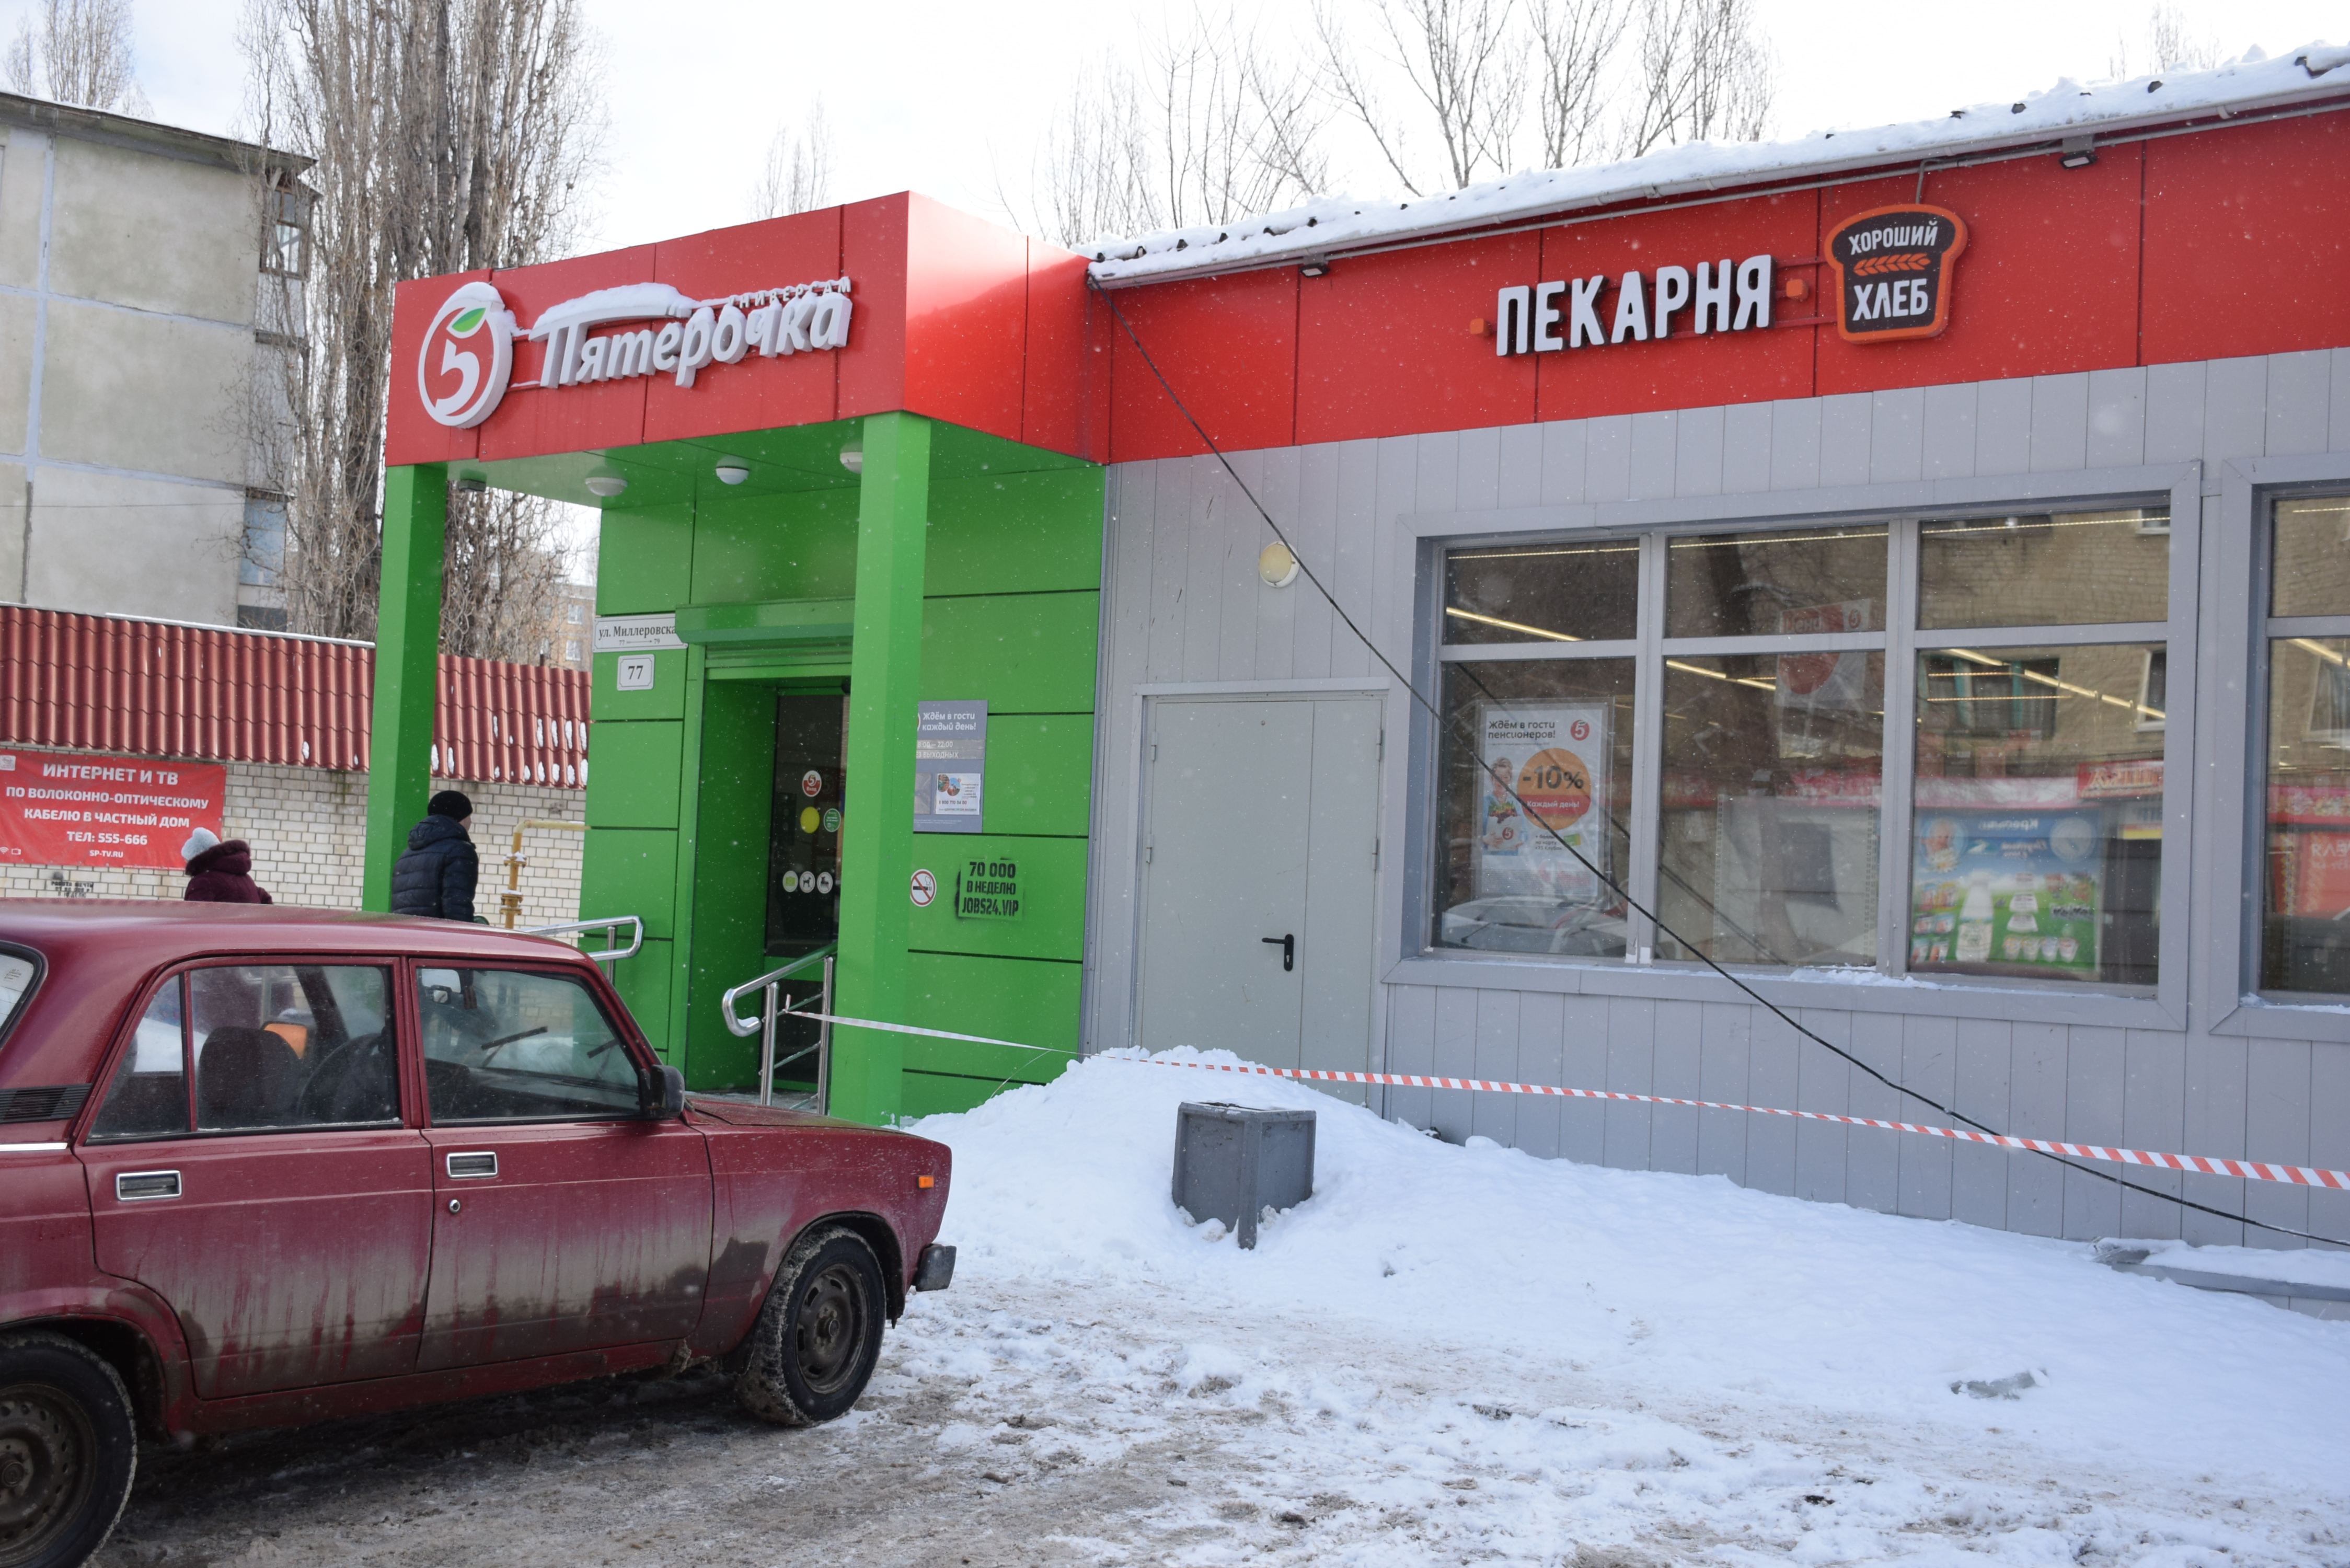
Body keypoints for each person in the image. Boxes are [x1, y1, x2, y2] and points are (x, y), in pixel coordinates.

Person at [391, 790, 479, 921]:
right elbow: (457, 906)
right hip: (437, 932)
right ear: (462, 818)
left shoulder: (406, 855)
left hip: (407, 931)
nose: (470, 822)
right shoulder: (459, 851)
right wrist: (463, 931)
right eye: (469, 816)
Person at [181, 828, 272, 904]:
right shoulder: (245, 878)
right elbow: (265, 898)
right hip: (250, 921)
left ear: (196, 860)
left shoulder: (204, 882)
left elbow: (194, 917)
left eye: (188, 860)